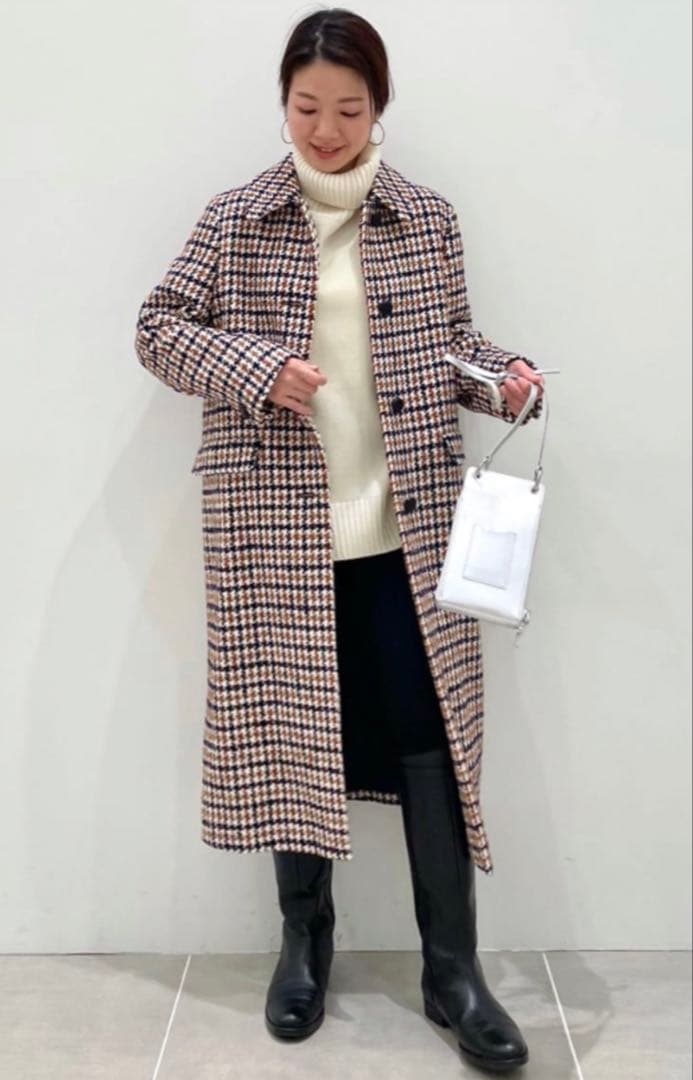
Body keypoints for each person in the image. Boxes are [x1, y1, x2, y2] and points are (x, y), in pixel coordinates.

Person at [134, 8, 545, 1073]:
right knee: (296, 732)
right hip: (277, 527)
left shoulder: (426, 218)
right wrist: (254, 367)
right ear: (283, 103)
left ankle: (452, 972)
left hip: (407, 527)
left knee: (430, 738)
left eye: (348, 110)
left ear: (379, 108)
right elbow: (157, 327)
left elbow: (452, 344)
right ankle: (304, 943)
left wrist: (503, 378)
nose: (325, 130)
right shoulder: (237, 217)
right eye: (307, 107)